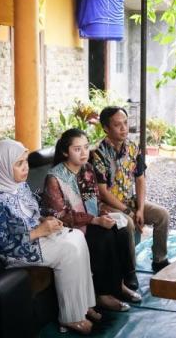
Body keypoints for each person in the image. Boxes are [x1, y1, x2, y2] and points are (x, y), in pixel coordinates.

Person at [0, 140, 98, 335]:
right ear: (2, 165)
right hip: (12, 250)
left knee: (78, 237)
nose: (25, 168)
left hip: (34, 235)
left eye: (26, 161)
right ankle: (71, 317)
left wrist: (44, 220)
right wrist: (39, 231)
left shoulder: (18, 185)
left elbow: (32, 211)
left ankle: (85, 304)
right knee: (69, 250)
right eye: (19, 163)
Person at [42, 128, 142, 311]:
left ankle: (119, 284)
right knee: (105, 236)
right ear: (65, 152)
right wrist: (94, 221)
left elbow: (94, 200)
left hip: (91, 221)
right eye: (77, 149)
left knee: (120, 228)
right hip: (70, 230)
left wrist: (102, 214)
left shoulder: (87, 169)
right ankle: (103, 295)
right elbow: (60, 216)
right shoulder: (54, 178)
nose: (83, 153)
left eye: (86, 147)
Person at [90, 106, 170, 279]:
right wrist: (129, 212)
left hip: (129, 200)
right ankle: (130, 272)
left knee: (162, 214)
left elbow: (140, 179)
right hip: (106, 205)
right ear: (106, 128)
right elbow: (103, 192)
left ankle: (159, 260)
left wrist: (139, 209)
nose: (124, 128)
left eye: (125, 123)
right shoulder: (98, 153)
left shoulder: (133, 148)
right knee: (128, 223)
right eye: (117, 125)